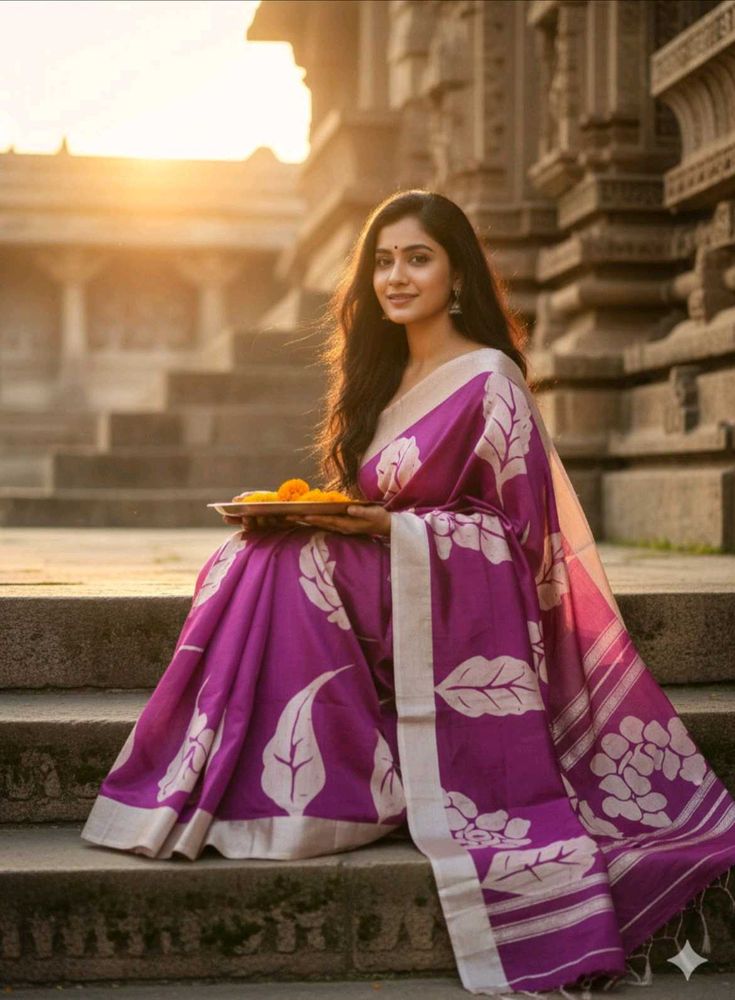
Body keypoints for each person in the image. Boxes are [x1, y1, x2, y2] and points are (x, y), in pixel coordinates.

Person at [81, 190, 735, 997]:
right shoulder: (383, 379)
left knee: (294, 564)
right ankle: (264, 789)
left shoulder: (490, 379)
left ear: (456, 275)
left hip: (451, 605)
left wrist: (390, 530)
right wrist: (335, 518)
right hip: (393, 584)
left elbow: (518, 540)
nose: (395, 276)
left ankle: (330, 794)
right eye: (383, 261)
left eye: (417, 258)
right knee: (254, 552)